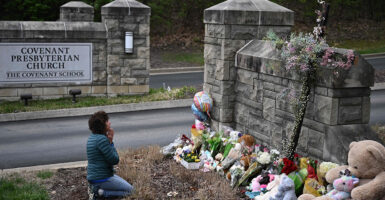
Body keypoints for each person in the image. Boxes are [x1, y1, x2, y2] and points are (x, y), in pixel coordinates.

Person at [87, 111, 133, 199]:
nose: (109, 122)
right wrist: (111, 142)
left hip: (96, 177)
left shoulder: (92, 137)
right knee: (131, 191)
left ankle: (96, 189)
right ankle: (100, 193)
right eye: (107, 121)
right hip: (102, 178)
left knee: (128, 187)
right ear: (102, 125)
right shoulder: (102, 140)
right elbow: (115, 160)